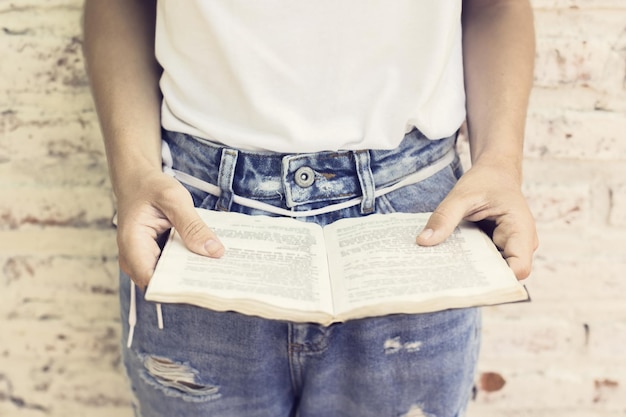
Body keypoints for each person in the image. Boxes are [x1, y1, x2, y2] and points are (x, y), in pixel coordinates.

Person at [83, 1, 538, 416]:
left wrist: (499, 163)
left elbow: (496, 6)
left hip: (416, 211)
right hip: (193, 210)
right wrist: (134, 174)